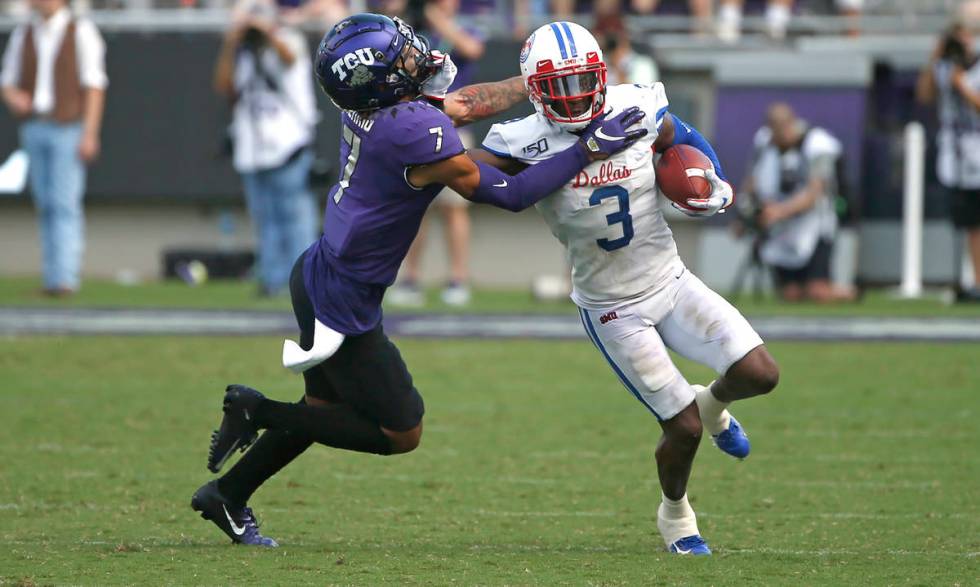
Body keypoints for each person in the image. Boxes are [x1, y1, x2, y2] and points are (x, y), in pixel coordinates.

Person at [190, 13, 648, 547]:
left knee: (321, 414)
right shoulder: (409, 128)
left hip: (321, 273)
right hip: (343, 298)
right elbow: (510, 193)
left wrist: (540, 82)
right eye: (400, 56)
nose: (414, 56)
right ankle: (254, 409)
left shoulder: (380, 108)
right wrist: (587, 148)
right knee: (400, 431)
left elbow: (466, 105)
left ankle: (227, 495)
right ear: (377, 78)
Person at [474, 21, 779, 555]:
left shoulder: (634, 104)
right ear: (533, 88)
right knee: (680, 429)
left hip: (670, 278)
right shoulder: (518, 139)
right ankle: (677, 516)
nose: (573, 97)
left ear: (602, 73)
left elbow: (680, 138)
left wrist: (714, 178)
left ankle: (713, 405)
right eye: (558, 86)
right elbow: (495, 191)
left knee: (759, 373)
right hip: (613, 307)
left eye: (582, 81)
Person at [1, 0, 107, 297]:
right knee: (45, 204)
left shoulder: (81, 30)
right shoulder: (24, 33)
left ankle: (65, 279)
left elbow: (95, 85)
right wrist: (14, 98)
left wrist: (90, 132)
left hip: (68, 127)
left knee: (64, 204)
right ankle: (52, 278)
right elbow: (7, 81)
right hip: (34, 125)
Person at [214, 0, 319, 296]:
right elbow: (224, 86)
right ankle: (272, 280)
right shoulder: (244, 52)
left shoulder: (289, 39)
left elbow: (288, 59)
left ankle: (303, 282)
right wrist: (232, 43)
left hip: (288, 143)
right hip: (252, 147)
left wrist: (269, 33)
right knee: (265, 217)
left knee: (296, 216)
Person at [389, 0, 487, 307]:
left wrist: (438, 19)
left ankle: (458, 278)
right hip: (416, 125)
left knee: (454, 207)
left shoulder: (467, 22)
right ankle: (411, 278)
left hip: (454, 125)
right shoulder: (415, 28)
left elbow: (471, 49)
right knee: (416, 209)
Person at [740, 103, 855, 302]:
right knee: (791, 294)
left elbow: (814, 192)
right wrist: (745, 214)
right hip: (782, 229)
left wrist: (779, 211)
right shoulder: (765, 145)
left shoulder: (817, 145)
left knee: (817, 292)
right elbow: (752, 182)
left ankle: (851, 293)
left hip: (814, 225)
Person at [916, 22, 980, 302]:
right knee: (971, 223)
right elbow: (925, 95)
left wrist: (961, 85)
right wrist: (935, 57)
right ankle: (975, 282)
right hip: (959, 156)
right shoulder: (944, 67)